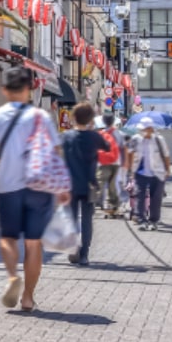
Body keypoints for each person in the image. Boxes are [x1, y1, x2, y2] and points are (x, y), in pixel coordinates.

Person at [0, 66, 70, 312]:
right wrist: (61, 185)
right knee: (34, 243)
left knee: (8, 238)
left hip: (9, 186)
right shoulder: (41, 117)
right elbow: (56, 151)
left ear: (4, 90)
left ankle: (13, 277)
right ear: (29, 90)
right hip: (40, 187)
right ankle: (28, 297)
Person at [60, 104, 107, 266]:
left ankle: (73, 250)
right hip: (89, 184)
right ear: (90, 119)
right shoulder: (94, 137)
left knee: (71, 219)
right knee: (87, 220)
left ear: (74, 117)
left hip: (69, 185)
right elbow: (106, 147)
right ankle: (84, 254)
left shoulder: (66, 136)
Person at [130, 118, 172, 230]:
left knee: (156, 198)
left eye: (145, 128)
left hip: (157, 172)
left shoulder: (159, 139)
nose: (142, 131)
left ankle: (153, 220)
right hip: (140, 172)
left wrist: (168, 169)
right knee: (140, 195)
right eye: (141, 129)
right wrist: (131, 170)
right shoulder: (136, 139)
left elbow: (166, 155)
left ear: (150, 129)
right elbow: (130, 152)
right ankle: (141, 219)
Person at [95, 113, 123, 218]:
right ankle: (114, 206)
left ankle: (95, 204)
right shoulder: (118, 133)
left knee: (100, 183)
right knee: (112, 185)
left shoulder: (100, 133)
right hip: (116, 162)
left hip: (102, 162)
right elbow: (121, 147)